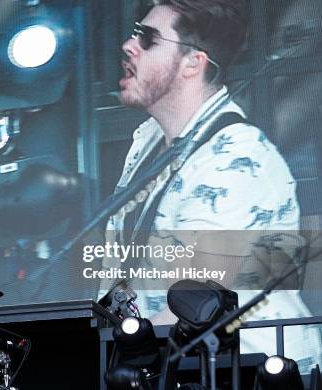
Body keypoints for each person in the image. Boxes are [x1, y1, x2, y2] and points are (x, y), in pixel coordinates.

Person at [98, 0, 320, 369]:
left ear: (192, 63)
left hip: (245, 371)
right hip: (174, 366)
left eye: (149, 38)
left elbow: (194, 309)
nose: (129, 44)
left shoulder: (237, 160)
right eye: (135, 32)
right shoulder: (148, 141)